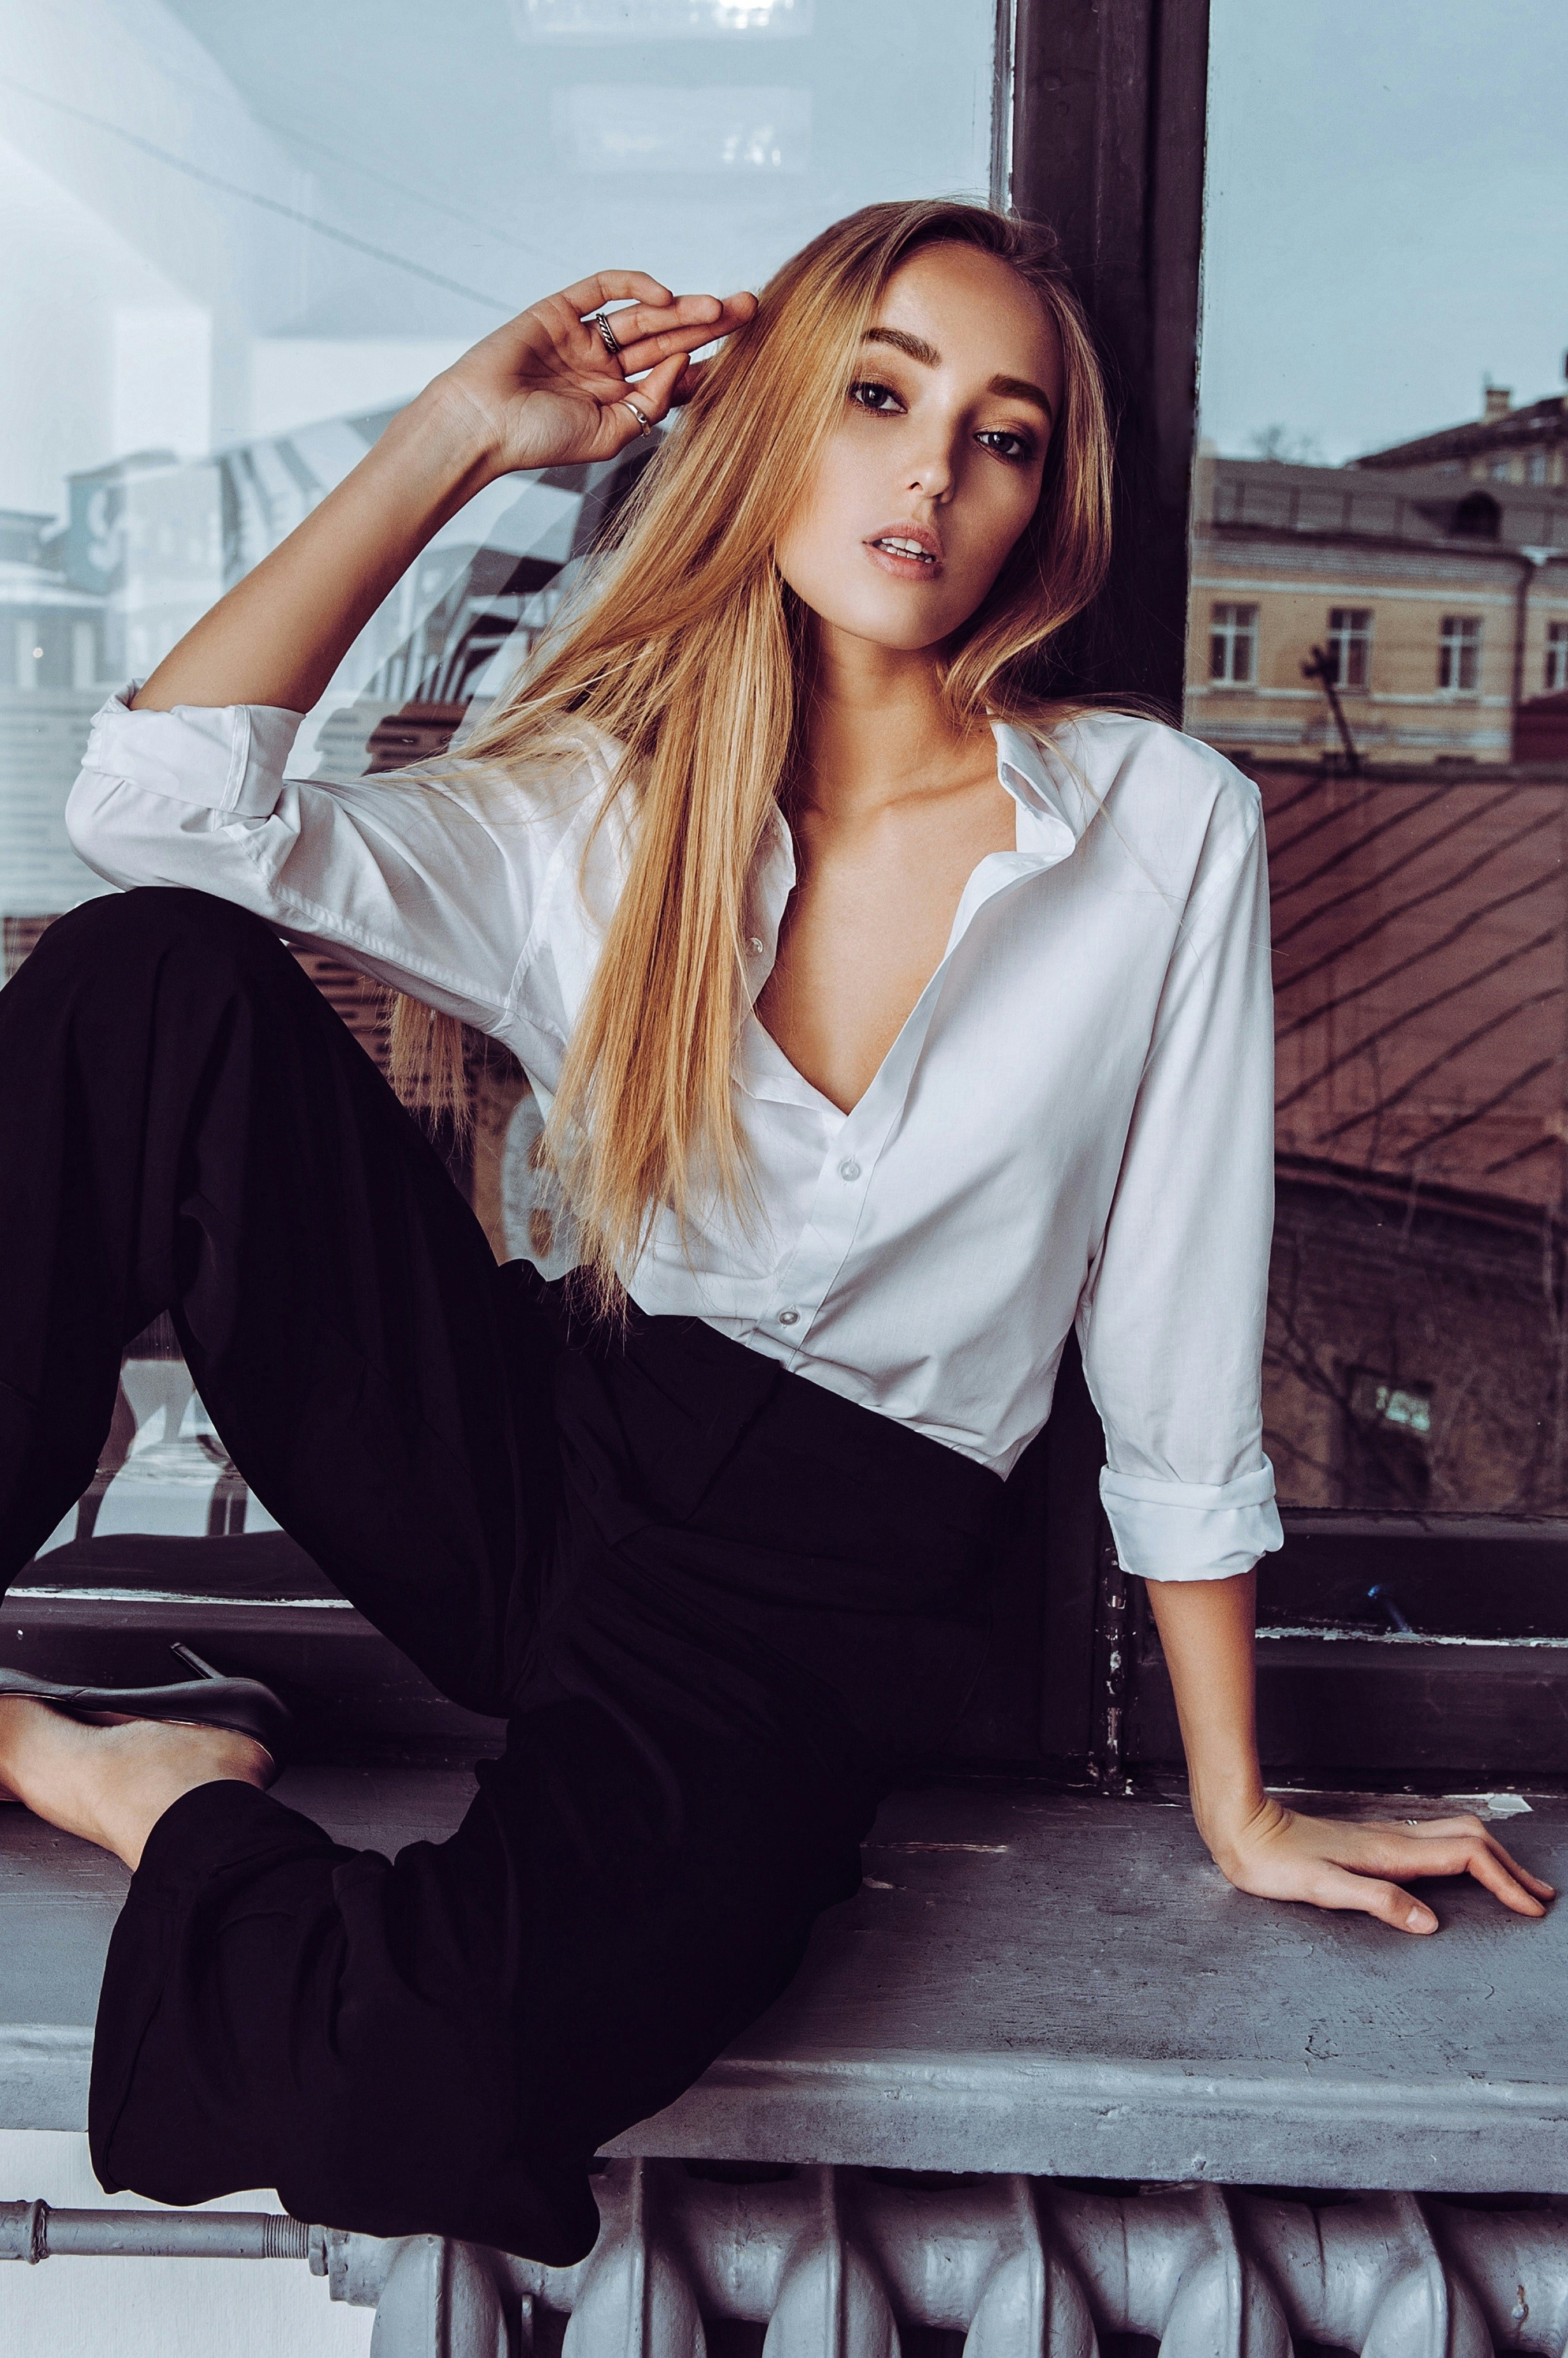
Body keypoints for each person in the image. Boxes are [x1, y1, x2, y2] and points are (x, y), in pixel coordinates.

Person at [0, 199, 1549, 2260]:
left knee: (430, 2076)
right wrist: (464, 430)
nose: (931, 469)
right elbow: (163, 811)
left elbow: (1177, 1338)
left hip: (812, 1601)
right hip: (542, 1457)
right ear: (770, 429)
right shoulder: (598, 804)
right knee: (150, 976)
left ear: (1040, 503)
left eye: (1000, 434)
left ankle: (131, 1778)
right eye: (878, 392)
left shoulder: (1159, 827)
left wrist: (1236, 1797)